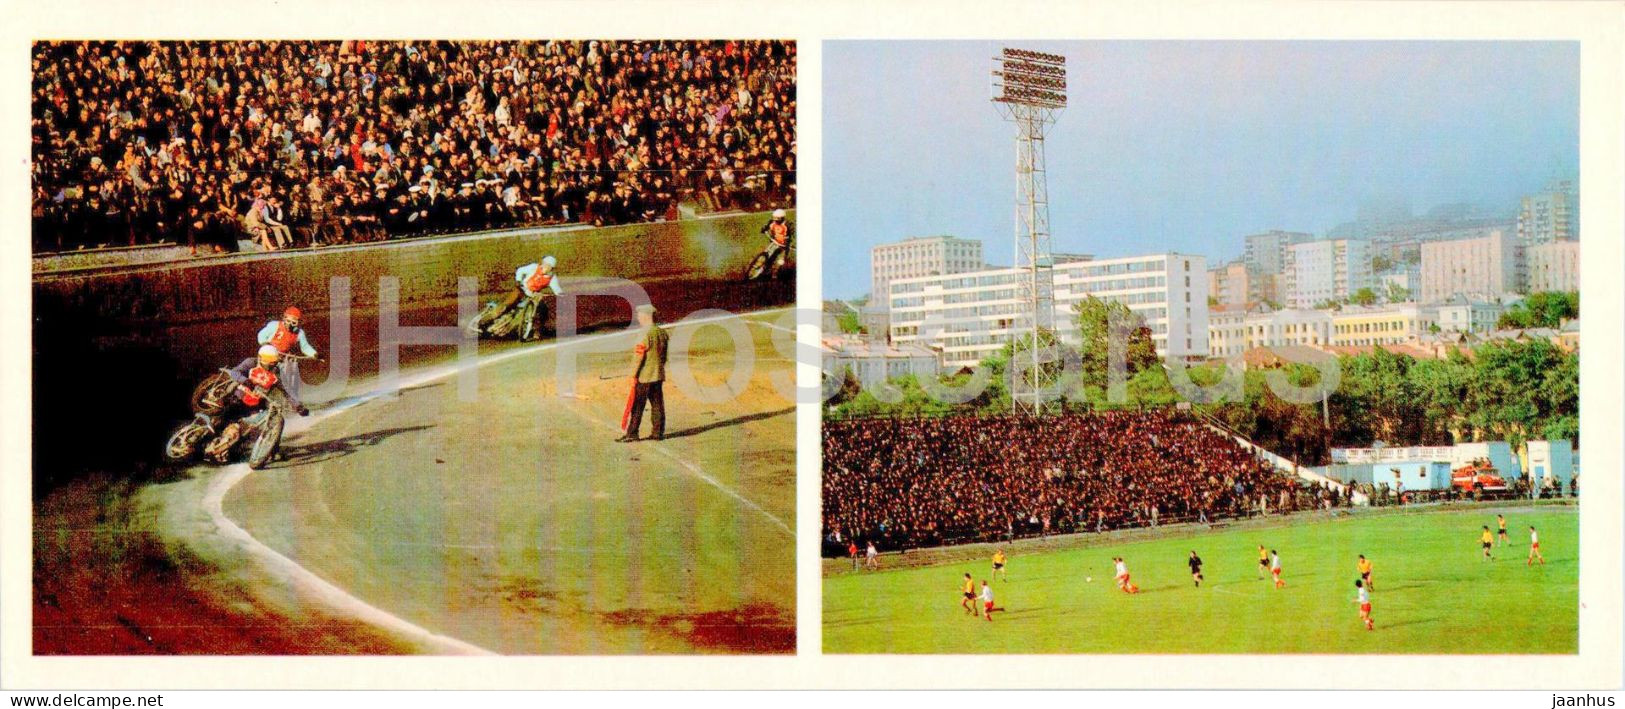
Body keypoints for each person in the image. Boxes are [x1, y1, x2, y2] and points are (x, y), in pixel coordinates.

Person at [480, 255, 563, 341]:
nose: (545, 267)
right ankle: (487, 318)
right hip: (522, 289)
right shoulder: (534, 267)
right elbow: (520, 270)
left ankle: (534, 330)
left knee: (540, 309)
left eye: (548, 266)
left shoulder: (552, 278)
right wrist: (519, 280)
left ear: (551, 268)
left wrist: (560, 294)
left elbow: (556, 289)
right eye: (545, 264)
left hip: (532, 295)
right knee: (508, 304)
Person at [617, 304, 669, 443]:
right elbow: (664, 356)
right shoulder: (661, 332)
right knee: (657, 404)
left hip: (644, 376)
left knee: (637, 406)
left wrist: (632, 375)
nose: (638, 318)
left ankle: (632, 433)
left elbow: (638, 357)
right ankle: (658, 433)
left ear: (646, 316)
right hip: (658, 375)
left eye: (640, 316)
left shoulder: (644, 334)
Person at [256, 306, 317, 415]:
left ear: (298, 323)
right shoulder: (274, 326)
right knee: (262, 380)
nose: (289, 325)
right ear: (283, 318)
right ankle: (258, 404)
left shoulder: (299, 333)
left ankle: (295, 405)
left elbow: (305, 347)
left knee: (287, 380)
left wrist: (314, 354)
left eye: (293, 323)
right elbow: (261, 337)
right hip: (267, 357)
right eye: (287, 321)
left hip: (282, 360)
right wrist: (267, 345)